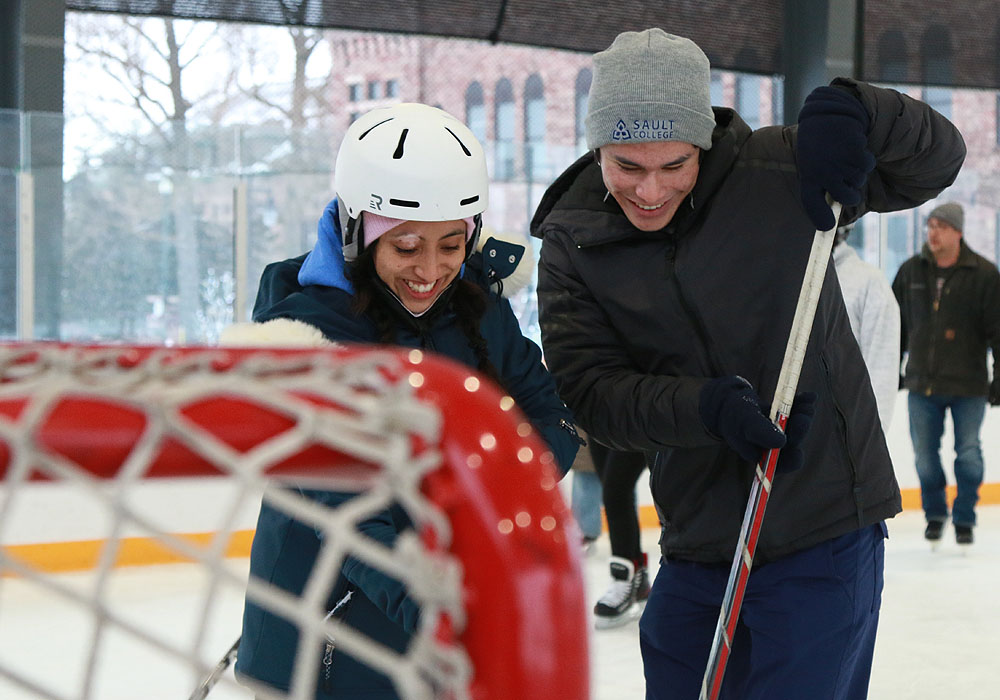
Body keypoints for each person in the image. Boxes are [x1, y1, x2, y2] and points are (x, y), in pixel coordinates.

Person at [530, 28, 966, 699]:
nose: (649, 191)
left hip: (825, 528)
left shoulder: (781, 172)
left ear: (702, 141)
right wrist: (703, 410)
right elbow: (590, 392)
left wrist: (861, 111)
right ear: (595, 148)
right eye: (626, 165)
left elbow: (936, 159)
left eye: (674, 165)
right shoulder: (574, 239)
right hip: (699, 535)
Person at [232, 102, 580, 699]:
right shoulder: (311, 336)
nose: (430, 269)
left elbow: (549, 416)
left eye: (451, 245)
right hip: (326, 637)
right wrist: (432, 605)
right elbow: (345, 506)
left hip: (441, 630)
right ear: (357, 234)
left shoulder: (482, 312)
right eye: (407, 247)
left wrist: (491, 494)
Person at [891, 202, 1000, 547]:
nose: (932, 232)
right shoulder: (910, 272)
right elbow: (895, 327)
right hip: (922, 383)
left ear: (958, 231)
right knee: (925, 457)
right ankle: (935, 514)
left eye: (940, 226)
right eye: (929, 225)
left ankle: (964, 517)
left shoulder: (984, 275)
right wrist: (891, 368)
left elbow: (998, 331)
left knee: (968, 453)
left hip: (969, 385)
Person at [833, 225, 901, 429]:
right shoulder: (788, 276)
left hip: (842, 429)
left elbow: (881, 368)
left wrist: (870, 440)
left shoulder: (869, 283)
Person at [588, 442, 650, 628]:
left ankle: (623, 577)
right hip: (597, 418)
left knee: (615, 490)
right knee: (613, 490)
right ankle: (637, 579)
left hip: (637, 416)